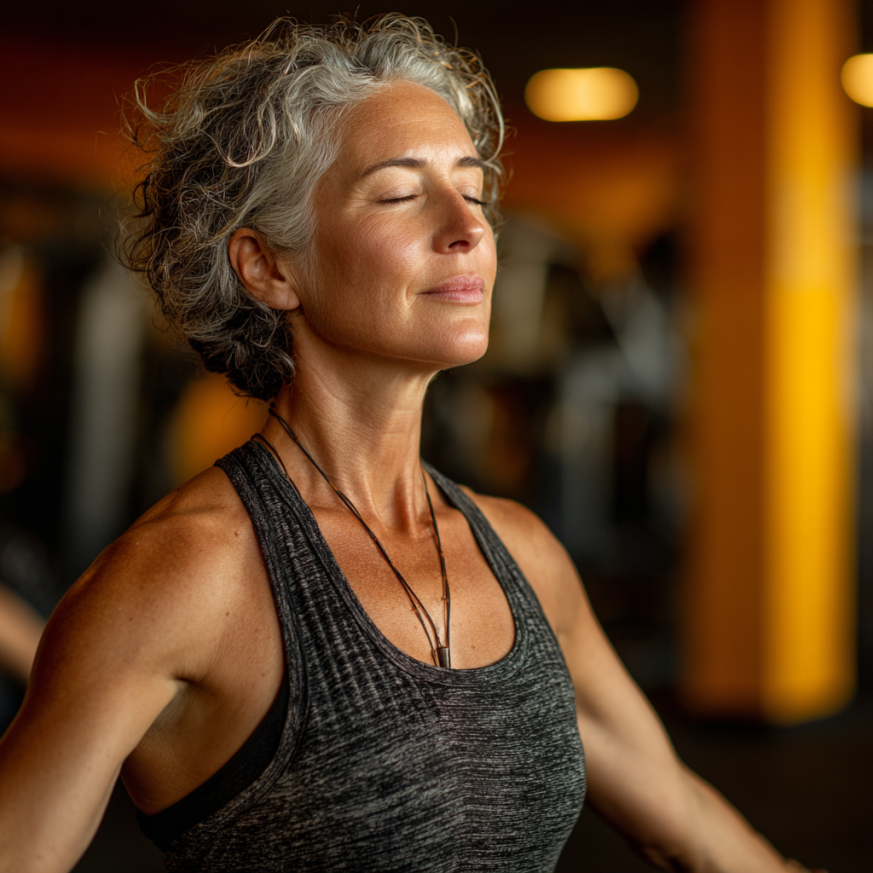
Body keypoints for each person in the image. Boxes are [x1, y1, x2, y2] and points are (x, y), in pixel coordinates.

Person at [0, 15, 824, 873]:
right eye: (399, 194)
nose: (468, 227)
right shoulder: (182, 576)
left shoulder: (522, 553)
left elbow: (681, 814)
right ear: (268, 266)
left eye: (473, 191)